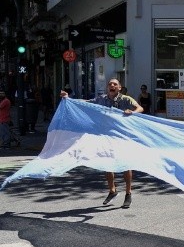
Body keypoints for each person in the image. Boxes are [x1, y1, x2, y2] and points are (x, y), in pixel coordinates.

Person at [60, 78, 144, 208]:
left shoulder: (126, 99)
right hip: (107, 136)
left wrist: (132, 112)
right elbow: (86, 103)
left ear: (119, 87)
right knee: (107, 163)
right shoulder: (102, 99)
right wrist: (69, 99)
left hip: (122, 137)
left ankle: (128, 193)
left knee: (126, 164)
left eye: (115, 84)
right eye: (110, 84)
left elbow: (140, 108)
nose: (112, 85)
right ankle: (112, 190)